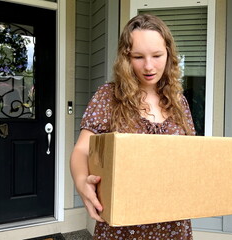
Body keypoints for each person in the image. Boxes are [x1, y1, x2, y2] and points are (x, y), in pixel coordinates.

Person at [70, 14, 196, 240]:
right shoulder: (108, 96)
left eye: (157, 55)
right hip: (125, 225)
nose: (148, 66)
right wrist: (81, 183)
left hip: (173, 223)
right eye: (138, 57)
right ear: (126, 58)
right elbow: (82, 150)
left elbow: (191, 155)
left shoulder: (179, 101)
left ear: (168, 54)